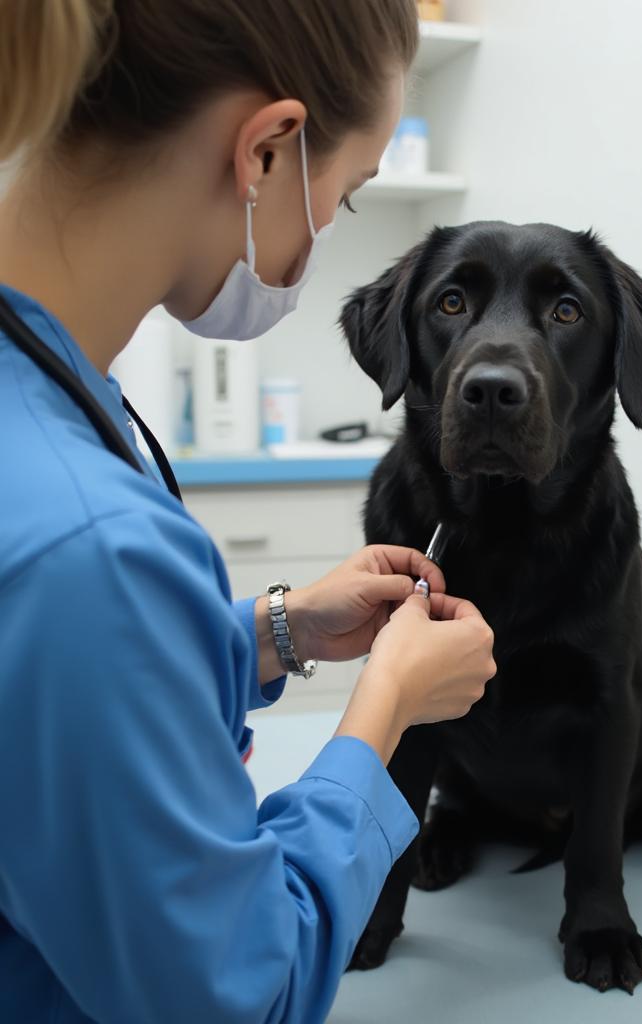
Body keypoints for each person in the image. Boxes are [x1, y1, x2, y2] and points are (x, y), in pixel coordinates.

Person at [0, 2, 496, 1021]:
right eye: (345, 196)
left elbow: (53, 698)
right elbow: (240, 991)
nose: (326, 238)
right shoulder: (88, 544)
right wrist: (386, 709)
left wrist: (276, 629)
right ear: (266, 150)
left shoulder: (42, 412)